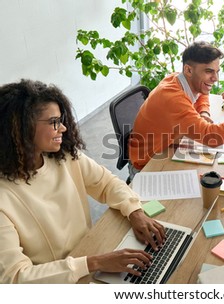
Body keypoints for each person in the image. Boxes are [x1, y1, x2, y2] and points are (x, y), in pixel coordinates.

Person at [0, 79, 166, 283]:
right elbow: (14, 278)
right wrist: (93, 263)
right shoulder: (4, 197)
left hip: (89, 254)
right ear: (21, 128)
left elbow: (107, 183)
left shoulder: (65, 156)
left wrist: (135, 211)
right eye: (54, 122)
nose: (63, 128)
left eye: (61, 120)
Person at [128, 41, 224, 179]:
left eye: (217, 71)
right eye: (209, 71)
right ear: (189, 70)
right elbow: (212, 137)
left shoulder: (178, 79)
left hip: (167, 147)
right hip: (147, 165)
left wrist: (203, 113)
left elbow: (201, 94)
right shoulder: (173, 99)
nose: (216, 78)